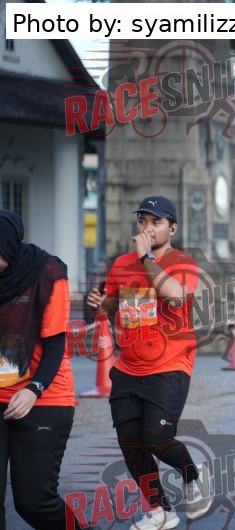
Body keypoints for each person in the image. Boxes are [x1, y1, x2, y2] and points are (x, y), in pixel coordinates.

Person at [86, 196, 209, 530]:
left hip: (169, 365)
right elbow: (112, 305)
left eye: (156, 222)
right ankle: (160, 510)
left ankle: (194, 476)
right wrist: (99, 303)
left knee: (157, 439)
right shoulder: (122, 263)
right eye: (142, 221)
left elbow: (176, 296)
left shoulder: (182, 262)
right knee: (131, 443)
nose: (147, 228)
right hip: (128, 366)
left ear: (173, 228)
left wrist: (146, 258)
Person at [0, 210, 89, 530]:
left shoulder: (48, 274)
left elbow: (55, 344)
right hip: (2, 390)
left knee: (34, 503)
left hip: (43, 397)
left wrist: (33, 389)